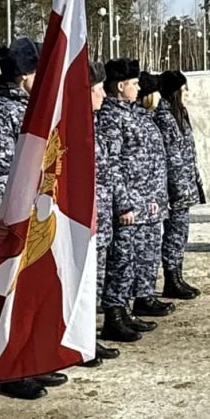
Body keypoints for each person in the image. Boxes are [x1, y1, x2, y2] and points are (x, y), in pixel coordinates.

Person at [0, 37, 74, 389]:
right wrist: (9, 217)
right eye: (36, 71)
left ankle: (29, 358)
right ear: (22, 75)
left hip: (36, 214)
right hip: (14, 219)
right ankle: (10, 367)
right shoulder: (1, 113)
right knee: (10, 294)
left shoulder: (30, 109)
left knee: (32, 291)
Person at [96, 58, 160, 341]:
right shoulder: (110, 117)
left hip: (140, 202)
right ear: (120, 86)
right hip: (125, 205)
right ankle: (113, 315)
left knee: (130, 261)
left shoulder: (132, 113)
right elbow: (112, 165)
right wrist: (123, 203)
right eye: (134, 84)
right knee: (119, 261)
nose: (138, 88)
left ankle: (122, 311)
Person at [154, 70, 203, 299]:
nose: (187, 94)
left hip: (184, 185)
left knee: (180, 233)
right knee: (174, 234)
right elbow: (172, 157)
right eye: (183, 90)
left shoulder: (179, 114)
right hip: (176, 189)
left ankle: (177, 275)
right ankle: (171, 279)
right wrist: (179, 188)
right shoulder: (165, 117)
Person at [131, 71, 175, 317]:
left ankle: (145, 295)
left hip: (153, 200)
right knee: (134, 254)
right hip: (139, 202)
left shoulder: (148, 120)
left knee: (150, 250)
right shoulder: (135, 120)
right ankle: (133, 300)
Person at [89, 60, 124, 355]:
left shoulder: (94, 123)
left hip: (100, 217)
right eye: (98, 89)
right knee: (86, 284)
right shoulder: (76, 127)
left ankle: (87, 337)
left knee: (95, 282)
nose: (103, 95)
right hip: (83, 221)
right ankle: (81, 340)